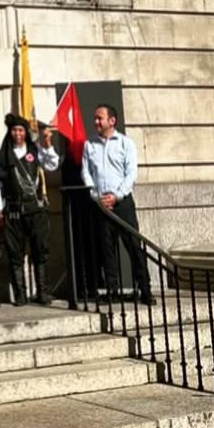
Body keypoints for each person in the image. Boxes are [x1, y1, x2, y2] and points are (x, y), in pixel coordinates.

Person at [81, 103, 155, 306]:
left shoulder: (125, 143)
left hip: (122, 204)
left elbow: (131, 173)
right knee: (107, 249)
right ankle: (112, 289)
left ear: (111, 121)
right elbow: (86, 172)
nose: (96, 121)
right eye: (95, 118)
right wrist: (96, 195)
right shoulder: (90, 145)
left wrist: (117, 195)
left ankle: (145, 289)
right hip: (101, 204)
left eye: (100, 118)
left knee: (133, 246)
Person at [0, 115, 60, 306]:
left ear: (25, 133)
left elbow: (52, 164)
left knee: (40, 250)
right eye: (14, 130)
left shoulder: (35, 150)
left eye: (21, 130)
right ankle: (20, 295)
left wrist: (47, 145)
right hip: (14, 211)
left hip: (36, 209)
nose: (18, 134)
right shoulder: (4, 155)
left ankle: (42, 292)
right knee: (15, 253)